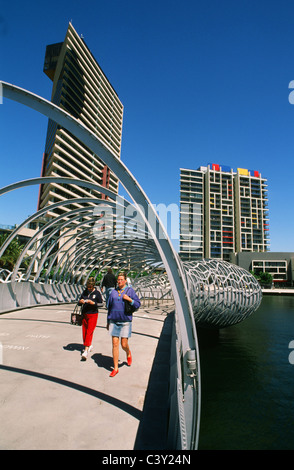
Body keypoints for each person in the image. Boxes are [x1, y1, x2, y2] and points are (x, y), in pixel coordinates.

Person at [107, 272, 141, 377]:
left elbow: (138, 304)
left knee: (123, 344)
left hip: (125, 321)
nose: (119, 281)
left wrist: (129, 299)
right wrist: (108, 322)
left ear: (125, 281)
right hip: (114, 320)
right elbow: (109, 307)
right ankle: (116, 368)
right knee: (115, 344)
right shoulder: (113, 292)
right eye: (118, 279)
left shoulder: (130, 291)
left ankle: (128, 352)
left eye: (121, 279)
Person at [78, 277, 103, 361]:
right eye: (88, 287)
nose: (89, 289)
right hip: (85, 313)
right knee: (84, 331)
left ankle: (85, 350)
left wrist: (93, 303)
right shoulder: (85, 292)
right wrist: (80, 301)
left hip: (93, 314)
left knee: (89, 331)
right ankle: (89, 345)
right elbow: (79, 301)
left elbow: (101, 304)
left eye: (90, 287)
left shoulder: (97, 293)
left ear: (93, 286)